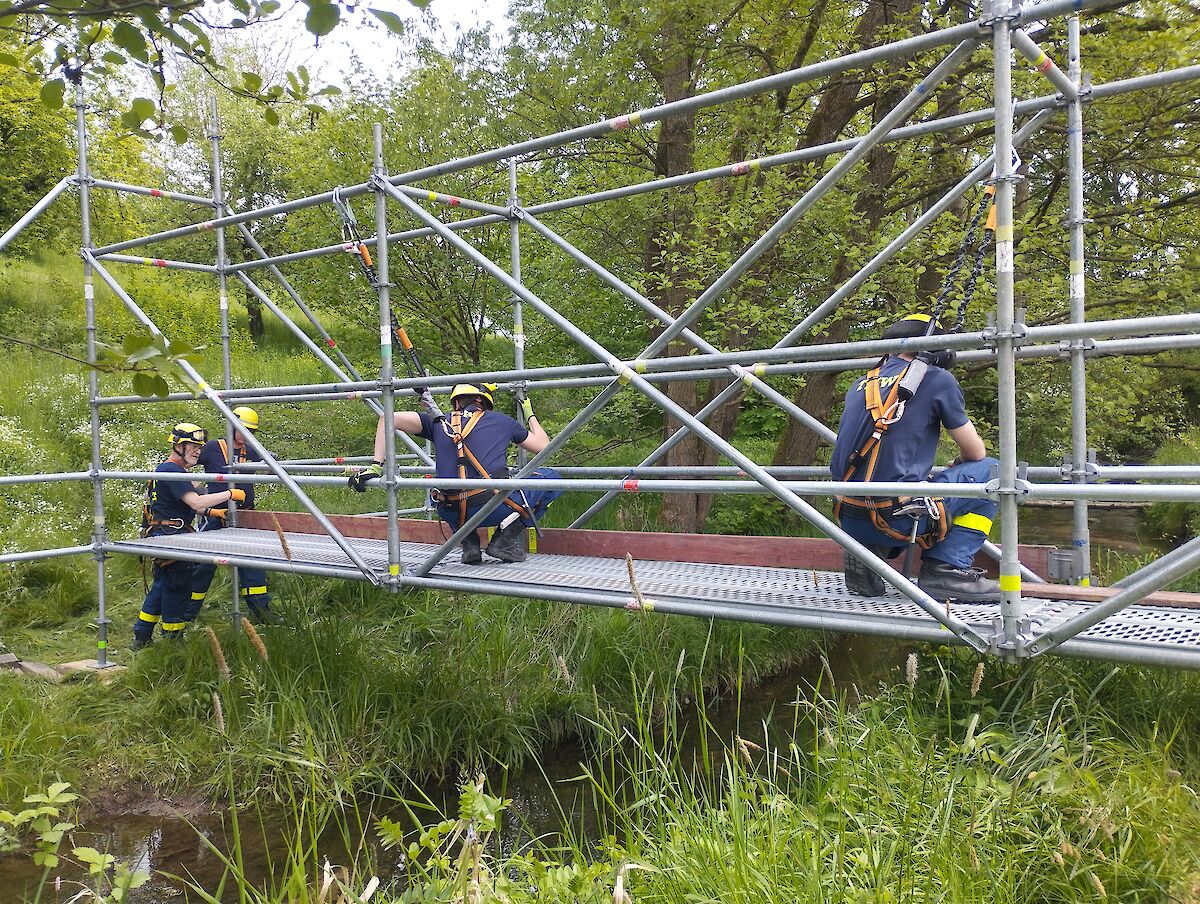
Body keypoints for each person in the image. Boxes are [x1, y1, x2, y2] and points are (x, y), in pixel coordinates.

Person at [830, 313, 1001, 602]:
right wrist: (962, 465)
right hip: (897, 519)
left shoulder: (861, 382)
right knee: (993, 472)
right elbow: (976, 453)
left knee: (900, 480)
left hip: (848, 515)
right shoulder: (937, 380)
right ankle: (946, 569)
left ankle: (868, 554)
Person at [349, 383, 561, 564]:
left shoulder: (439, 423)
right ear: (485, 401)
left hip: (453, 512)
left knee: (446, 490)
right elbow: (544, 446)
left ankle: (469, 544)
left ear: (456, 402)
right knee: (552, 478)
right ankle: (503, 542)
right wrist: (529, 414)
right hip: (495, 509)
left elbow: (389, 418)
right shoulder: (502, 421)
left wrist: (376, 466)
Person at [133, 423, 247, 650]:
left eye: (200, 447)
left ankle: (141, 635)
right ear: (177, 446)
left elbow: (192, 503)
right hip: (172, 537)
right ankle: (173, 642)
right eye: (192, 446)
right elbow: (195, 502)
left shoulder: (167, 469)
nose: (198, 451)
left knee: (162, 586)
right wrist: (229, 493)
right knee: (178, 588)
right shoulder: (172, 471)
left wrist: (214, 512)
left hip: (164, 533)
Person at [187, 406, 283, 626]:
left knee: (253, 565)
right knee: (203, 565)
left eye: (252, 432)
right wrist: (195, 489)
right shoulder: (213, 448)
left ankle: (262, 612)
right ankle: (187, 614)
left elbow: (269, 468)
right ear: (232, 427)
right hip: (216, 517)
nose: (249, 435)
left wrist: (270, 462)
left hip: (245, 517)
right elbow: (183, 465)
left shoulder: (250, 450)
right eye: (245, 430)